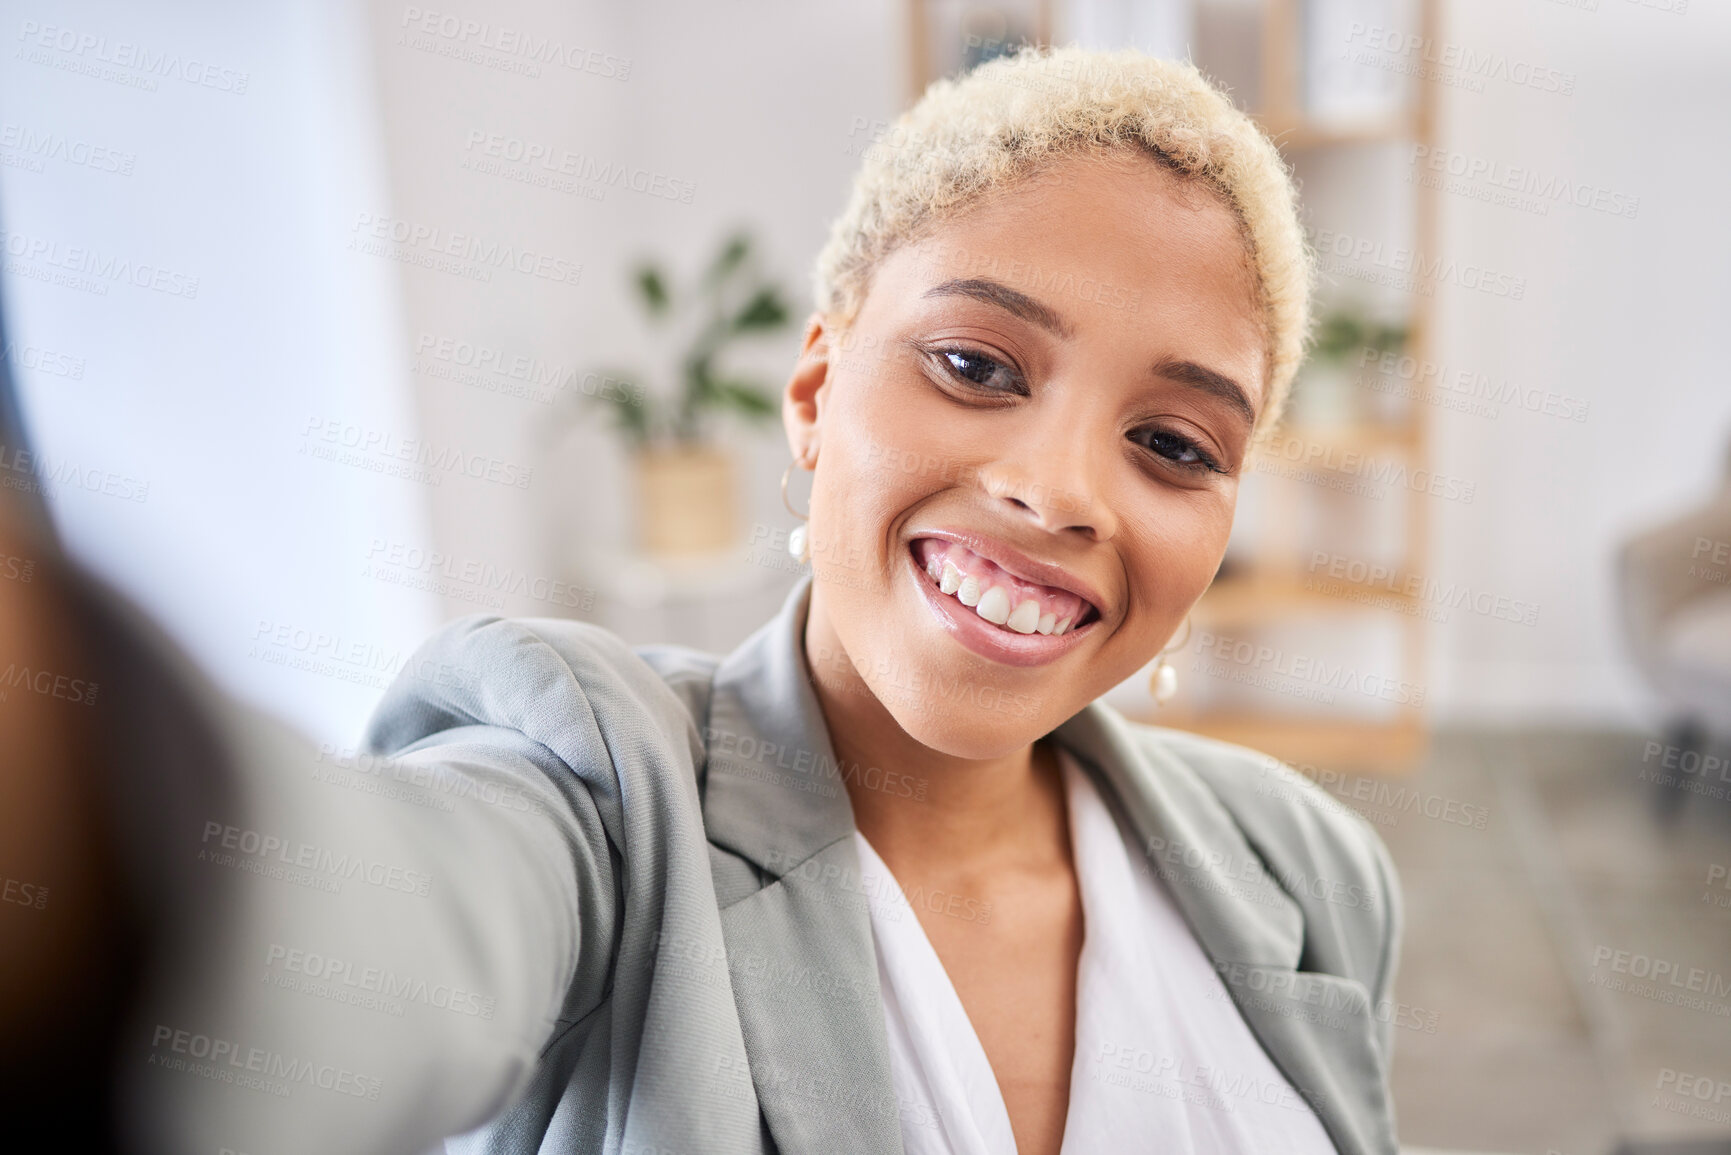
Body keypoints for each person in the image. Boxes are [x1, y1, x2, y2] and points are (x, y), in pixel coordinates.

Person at [74, 45, 1402, 1155]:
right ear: (819, 395)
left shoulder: (1309, 871)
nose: (1059, 495)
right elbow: (317, 945)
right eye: (975, 363)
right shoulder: (602, 803)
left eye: (1175, 445)